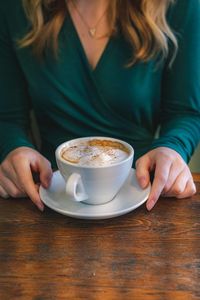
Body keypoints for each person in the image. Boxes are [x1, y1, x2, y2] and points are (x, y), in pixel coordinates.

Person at [0, 0, 200, 212]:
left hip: (146, 196)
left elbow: (184, 111)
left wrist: (172, 147)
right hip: (47, 196)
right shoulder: (14, 8)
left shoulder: (180, 5)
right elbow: (7, 117)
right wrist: (14, 148)